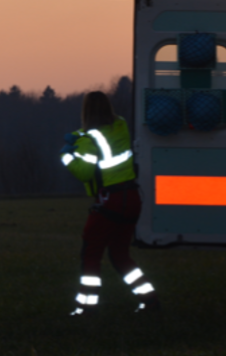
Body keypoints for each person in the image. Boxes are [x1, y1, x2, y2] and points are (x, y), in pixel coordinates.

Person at [59, 91, 160, 315]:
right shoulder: (120, 125)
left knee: (91, 253)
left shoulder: (88, 141)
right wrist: (79, 135)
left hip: (109, 202)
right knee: (120, 254)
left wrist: (66, 156)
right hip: (132, 198)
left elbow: (84, 173)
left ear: (85, 111)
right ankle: (149, 300)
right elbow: (99, 134)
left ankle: (86, 307)